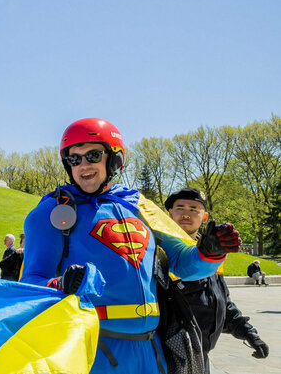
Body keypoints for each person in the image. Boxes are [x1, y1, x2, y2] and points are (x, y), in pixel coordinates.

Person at [20, 118, 239, 374]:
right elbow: (31, 281)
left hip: (151, 349)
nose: (82, 165)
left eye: (92, 155)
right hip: (93, 350)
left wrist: (208, 252)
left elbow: (182, 263)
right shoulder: (51, 213)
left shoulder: (139, 206)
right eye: (73, 159)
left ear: (115, 160)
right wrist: (59, 285)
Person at [164, 188, 268, 371]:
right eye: (180, 208)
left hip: (198, 354)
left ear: (204, 217)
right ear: (169, 213)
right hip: (169, 354)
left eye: (194, 209)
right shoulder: (157, 250)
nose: (186, 214)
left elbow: (220, 301)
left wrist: (247, 332)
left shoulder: (212, 249)